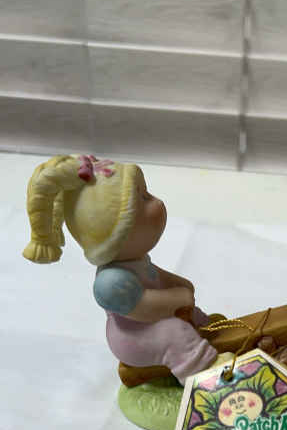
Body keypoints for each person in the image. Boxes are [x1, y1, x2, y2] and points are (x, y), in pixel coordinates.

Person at [23, 154, 220, 382]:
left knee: (187, 316)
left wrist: (180, 286)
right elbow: (145, 307)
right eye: (144, 199)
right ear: (116, 237)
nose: (157, 203)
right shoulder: (110, 282)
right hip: (135, 336)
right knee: (175, 331)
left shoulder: (136, 261)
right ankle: (204, 377)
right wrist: (178, 296)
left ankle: (212, 334)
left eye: (147, 193)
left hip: (152, 321)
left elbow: (157, 276)